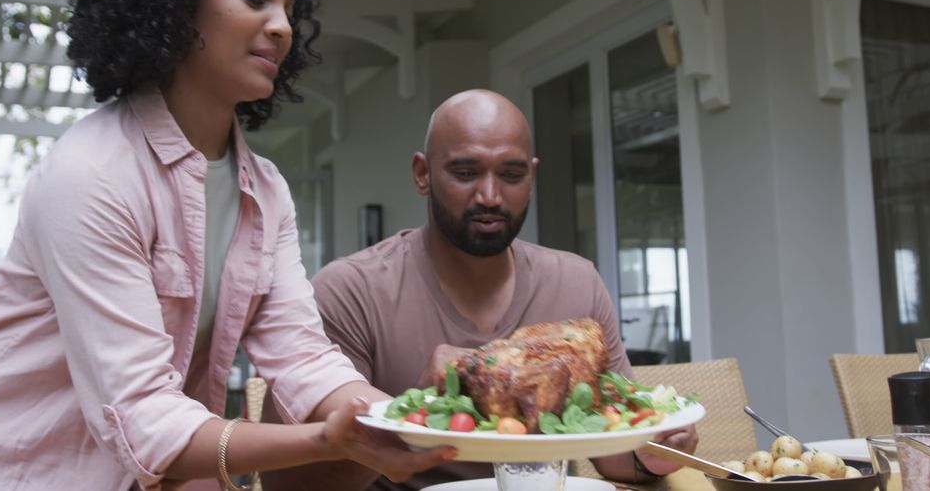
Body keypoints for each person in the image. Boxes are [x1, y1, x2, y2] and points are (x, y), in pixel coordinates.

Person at [0, 0, 452, 489]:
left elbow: (301, 355)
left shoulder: (265, 192)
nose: (282, 28)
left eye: (290, 9)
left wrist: (405, 418)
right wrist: (324, 441)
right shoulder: (90, 174)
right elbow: (145, 419)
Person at [265, 89, 698, 490]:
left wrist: (653, 455)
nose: (490, 196)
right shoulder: (350, 292)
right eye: (466, 172)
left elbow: (616, 448)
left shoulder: (577, 283)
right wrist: (409, 414)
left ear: (531, 177)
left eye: (510, 175)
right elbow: (288, 484)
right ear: (423, 174)